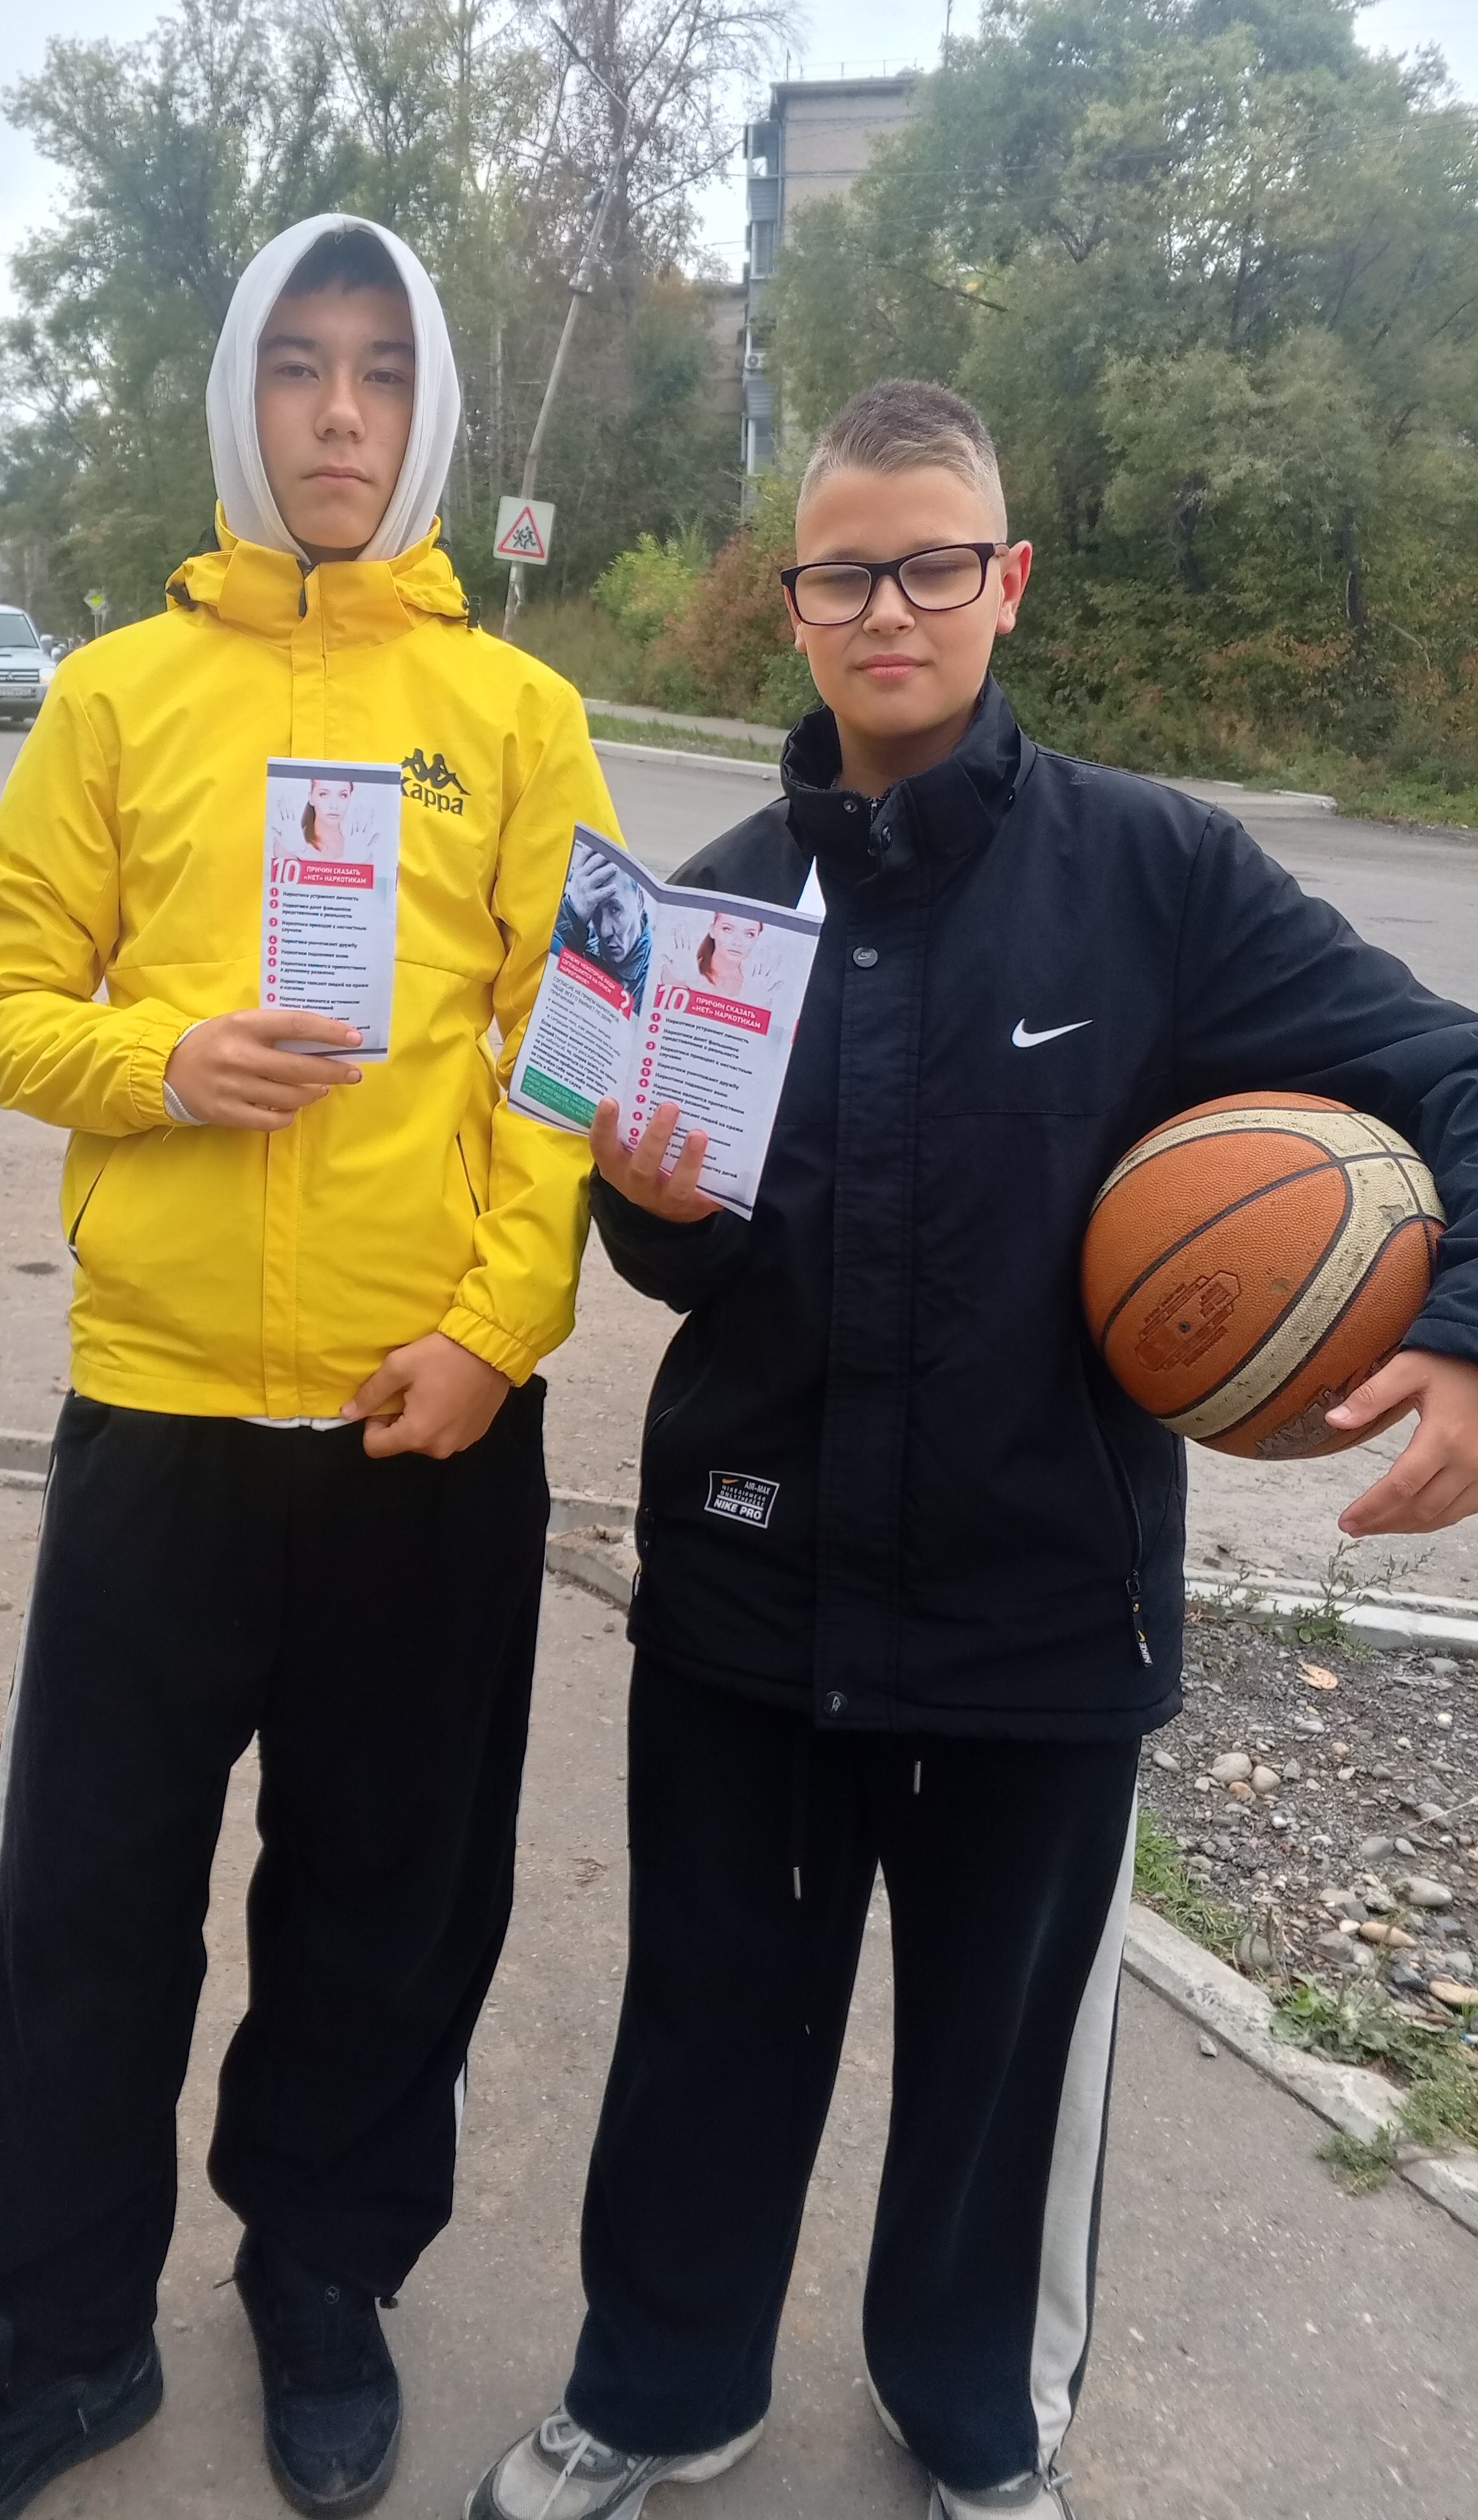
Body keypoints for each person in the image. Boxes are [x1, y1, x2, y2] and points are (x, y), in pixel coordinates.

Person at [467, 379, 1478, 2520]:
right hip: (748, 1593)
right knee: (706, 2024)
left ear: (1004, 582)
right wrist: (652, 1204)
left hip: (1039, 1614)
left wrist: (1459, 1332)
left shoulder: (1157, 877)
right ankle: (656, 2387)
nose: (888, 607)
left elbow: (1448, 1073)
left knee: (1000, 2072)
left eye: (932, 564)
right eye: (844, 572)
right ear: (795, 607)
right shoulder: (710, 910)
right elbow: (683, 1265)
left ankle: (976, 2424)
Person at [0, 214, 617, 2520]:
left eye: (380, 369)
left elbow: (572, 1053)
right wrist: (161, 1061)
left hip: (422, 1425)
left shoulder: (516, 718)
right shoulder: (112, 698)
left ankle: (318, 2273)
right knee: (87, 1903)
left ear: (431, 408)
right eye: (296, 365)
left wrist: (495, 1329)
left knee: (389, 1895)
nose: (339, 413)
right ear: (236, 396)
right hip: (163, 1409)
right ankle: (44, 2342)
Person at [554, 847, 652, 1007]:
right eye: (596, 912)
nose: (604, 930)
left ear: (640, 900)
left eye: (615, 910)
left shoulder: (659, 975)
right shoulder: (583, 938)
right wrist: (573, 914)